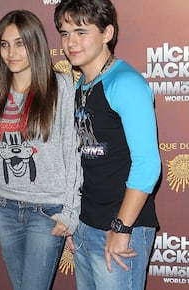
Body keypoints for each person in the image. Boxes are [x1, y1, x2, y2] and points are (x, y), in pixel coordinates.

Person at [54, 1, 161, 289]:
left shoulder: (125, 82)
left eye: (80, 32)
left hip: (121, 227)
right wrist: (76, 221)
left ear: (107, 33)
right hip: (87, 225)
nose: (70, 42)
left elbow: (148, 165)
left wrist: (121, 227)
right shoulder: (82, 85)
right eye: (64, 33)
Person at [0, 10, 82, 290]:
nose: (11, 52)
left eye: (20, 43)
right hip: (5, 208)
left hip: (47, 212)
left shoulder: (63, 88)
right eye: (5, 44)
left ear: (36, 44)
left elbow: (74, 154)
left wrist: (71, 211)